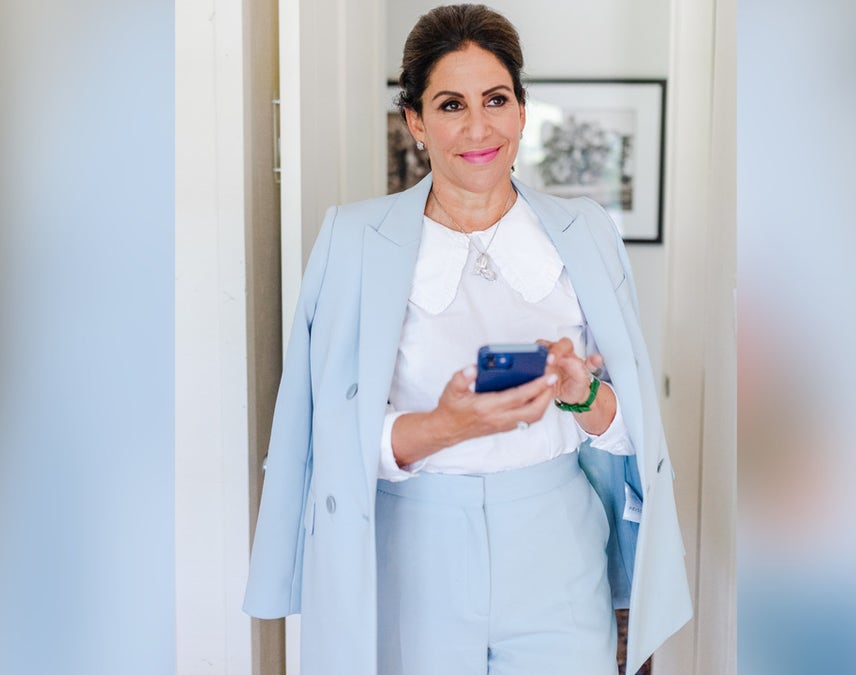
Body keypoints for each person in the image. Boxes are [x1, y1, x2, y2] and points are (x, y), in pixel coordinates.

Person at [243, 5, 691, 674]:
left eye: (496, 100)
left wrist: (582, 395)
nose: (479, 128)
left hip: (558, 549)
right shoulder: (352, 239)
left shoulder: (587, 232)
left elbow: (634, 428)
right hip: (411, 551)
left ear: (522, 111)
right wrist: (442, 427)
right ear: (416, 121)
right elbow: (322, 433)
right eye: (451, 105)